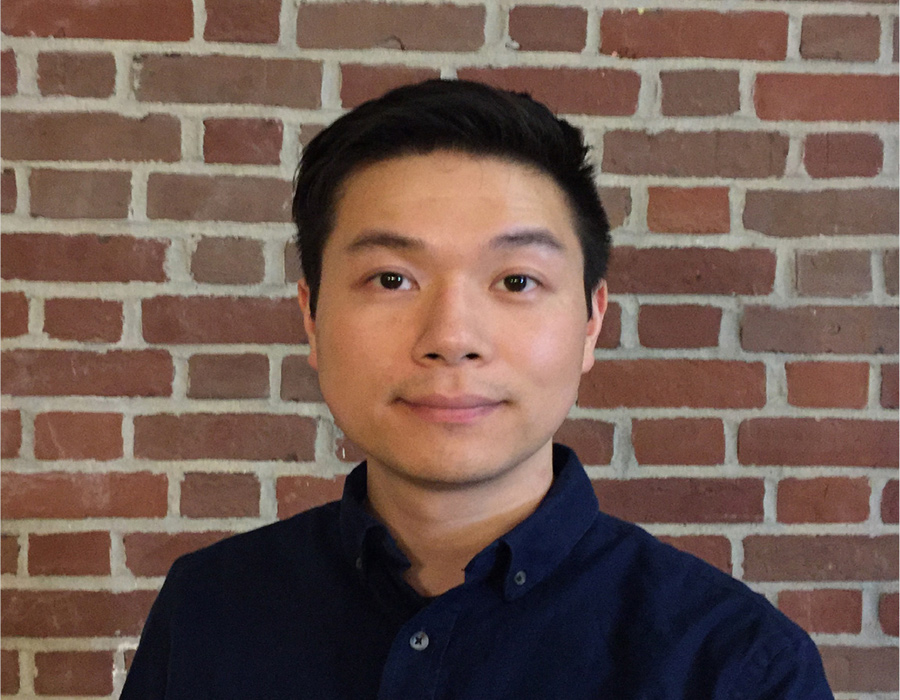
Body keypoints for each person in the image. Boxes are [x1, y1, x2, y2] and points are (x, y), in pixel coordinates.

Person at [121, 79, 834, 699]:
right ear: (311, 317)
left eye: (516, 281)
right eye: (392, 279)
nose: (451, 336)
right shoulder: (210, 610)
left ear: (590, 321)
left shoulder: (736, 664)